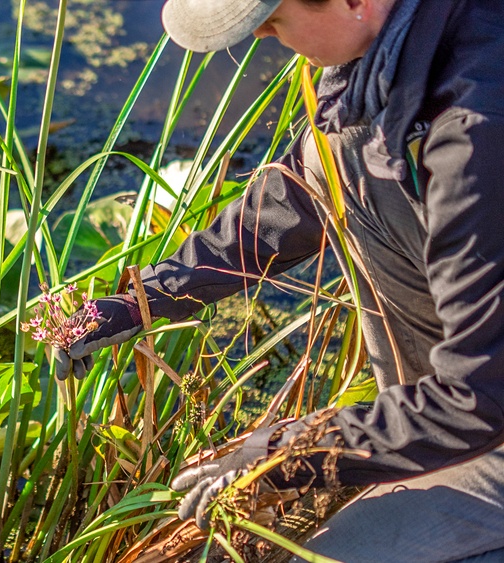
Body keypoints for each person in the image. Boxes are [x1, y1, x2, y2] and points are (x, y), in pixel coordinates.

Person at [57, 0, 504, 560]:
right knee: (342, 145)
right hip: (466, 396)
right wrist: (145, 298)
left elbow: (477, 398)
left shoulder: (476, 133)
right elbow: (300, 193)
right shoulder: (393, 57)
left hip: (481, 409)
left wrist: (290, 456)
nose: (270, 40)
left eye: (273, 21)